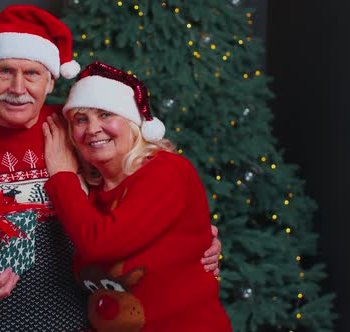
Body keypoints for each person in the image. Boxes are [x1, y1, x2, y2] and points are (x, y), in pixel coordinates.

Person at [0, 5, 221, 331]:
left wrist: (194, 241)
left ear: (52, 80)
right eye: (4, 71)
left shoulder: (77, 128)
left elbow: (133, 201)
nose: (17, 88)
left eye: (32, 74)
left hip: (89, 323)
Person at [42, 62, 232, 331]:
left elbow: (100, 244)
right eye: (81, 120)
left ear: (133, 123)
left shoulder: (166, 171)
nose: (93, 128)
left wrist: (61, 177)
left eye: (106, 115)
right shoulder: (91, 193)